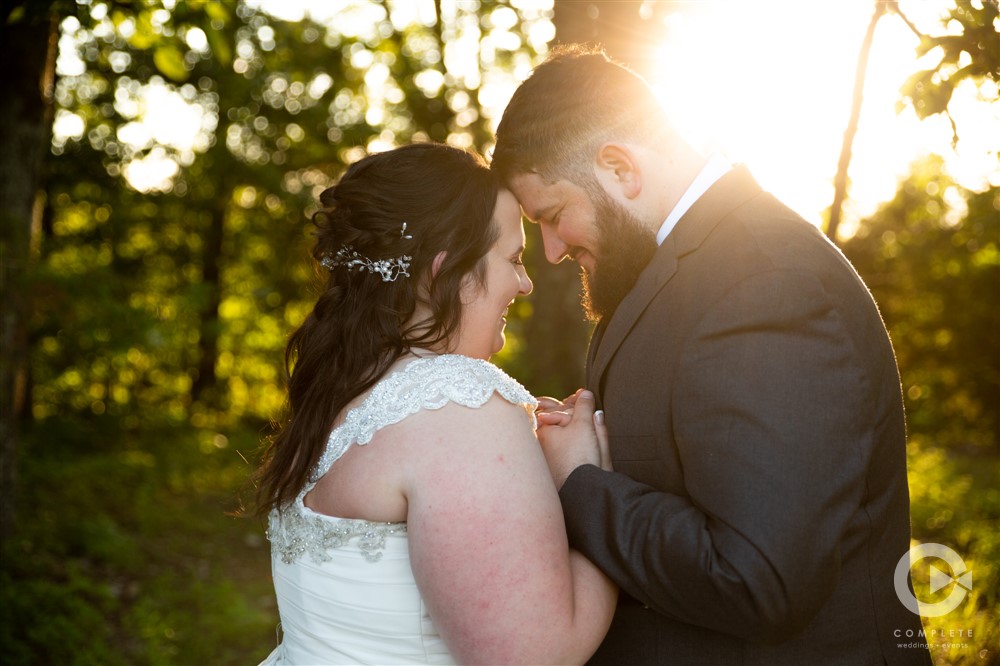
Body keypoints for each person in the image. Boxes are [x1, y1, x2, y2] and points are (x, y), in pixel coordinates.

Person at [491, 45, 931, 665]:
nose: (553, 250)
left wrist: (581, 485)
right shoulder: (674, 269)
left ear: (620, 168)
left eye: (555, 214)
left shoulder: (762, 281)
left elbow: (758, 579)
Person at [254, 142, 617, 665]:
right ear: (441, 271)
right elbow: (538, 657)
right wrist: (585, 481)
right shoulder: (460, 406)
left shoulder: (343, 390)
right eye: (513, 259)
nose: (525, 283)